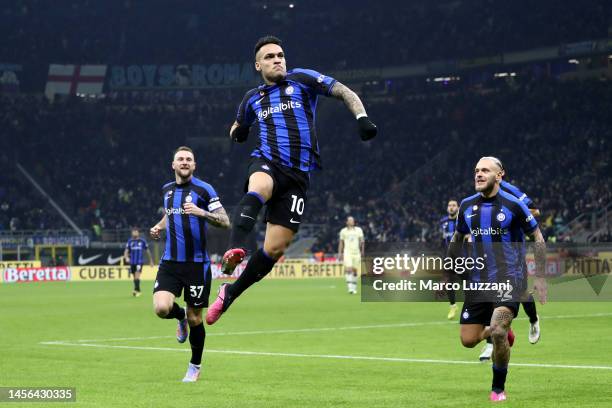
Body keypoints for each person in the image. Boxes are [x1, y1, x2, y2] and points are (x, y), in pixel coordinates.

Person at [206, 35, 377, 325]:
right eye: (270, 56)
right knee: (258, 187)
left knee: (274, 249)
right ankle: (234, 249)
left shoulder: (302, 79)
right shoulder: (252, 97)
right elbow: (237, 125)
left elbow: (344, 91)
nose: (277, 59)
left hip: (298, 176)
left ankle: (230, 293)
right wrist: (237, 133)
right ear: (258, 64)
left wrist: (362, 118)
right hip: (267, 161)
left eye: (280, 55)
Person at [449, 156, 547, 402]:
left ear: (499, 175)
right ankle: (499, 332)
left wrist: (541, 277)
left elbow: (537, 237)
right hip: (478, 283)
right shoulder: (466, 206)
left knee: (498, 328)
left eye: (484, 170)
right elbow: (457, 239)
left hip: (508, 280)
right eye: (476, 171)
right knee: (468, 340)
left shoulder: (513, 205)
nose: (478, 174)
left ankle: (498, 389)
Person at [149, 146, 230, 382]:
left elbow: (225, 221)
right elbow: (170, 213)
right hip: (170, 263)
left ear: (194, 165)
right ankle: (179, 315)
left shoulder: (204, 190)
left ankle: (195, 365)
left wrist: (201, 212)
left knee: (197, 318)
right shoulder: (166, 190)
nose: (184, 162)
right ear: (173, 165)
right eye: (180, 159)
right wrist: (159, 226)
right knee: (161, 308)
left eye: (189, 159)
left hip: (197, 265)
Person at [478, 173, 543, 361]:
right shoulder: (481, 194)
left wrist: (514, 214)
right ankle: (492, 343)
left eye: (487, 169)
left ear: (499, 174)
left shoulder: (511, 191)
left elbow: (535, 211)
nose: (482, 174)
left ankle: (533, 319)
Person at [440, 200, 459, 319]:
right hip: (448, 257)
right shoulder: (443, 222)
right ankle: (453, 306)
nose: (451, 208)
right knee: (449, 283)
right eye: (449, 206)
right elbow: (443, 239)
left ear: (458, 207)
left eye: (453, 205)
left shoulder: (462, 221)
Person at [123, 227, 154, 297]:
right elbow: (126, 251)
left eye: (136, 231)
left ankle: (137, 291)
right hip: (132, 262)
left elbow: (148, 251)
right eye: (133, 232)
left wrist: (151, 261)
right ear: (132, 233)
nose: (134, 233)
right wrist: (126, 257)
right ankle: (137, 289)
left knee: (137, 276)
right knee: (134, 278)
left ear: (138, 233)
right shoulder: (130, 241)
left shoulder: (142, 241)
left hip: (139, 262)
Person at [338, 216, 364, 294]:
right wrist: (340, 253)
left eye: (352, 220)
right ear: (347, 222)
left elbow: (362, 241)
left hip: (356, 252)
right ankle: (350, 288)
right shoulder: (343, 231)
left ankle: (354, 287)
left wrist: (362, 251)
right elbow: (341, 242)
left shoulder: (359, 230)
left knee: (355, 271)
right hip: (347, 252)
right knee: (348, 269)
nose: (352, 221)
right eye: (350, 220)